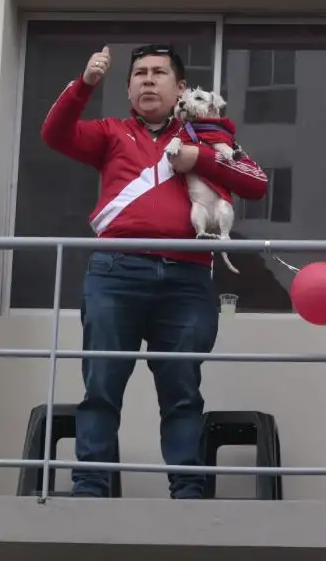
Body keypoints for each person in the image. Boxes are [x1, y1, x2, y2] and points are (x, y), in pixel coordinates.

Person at [41, 44, 270, 499]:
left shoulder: (207, 136)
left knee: (182, 391)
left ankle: (187, 492)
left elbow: (257, 182)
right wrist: (85, 84)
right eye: (139, 73)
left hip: (187, 277)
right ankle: (89, 489)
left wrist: (201, 159)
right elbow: (55, 133)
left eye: (159, 72)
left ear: (181, 88)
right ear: (127, 87)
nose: (148, 79)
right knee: (101, 385)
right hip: (116, 271)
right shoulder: (110, 132)